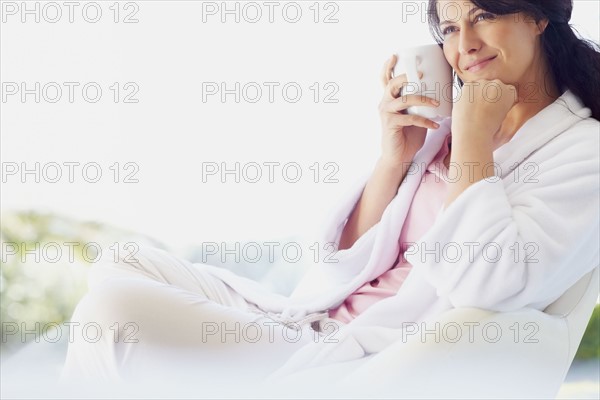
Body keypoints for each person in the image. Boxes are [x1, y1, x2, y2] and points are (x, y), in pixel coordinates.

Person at [60, 0, 599, 397]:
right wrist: (395, 156)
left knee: (112, 313)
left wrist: (474, 140)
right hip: (313, 322)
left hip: (367, 356)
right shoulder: (443, 127)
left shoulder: (582, 151)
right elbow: (345, 262)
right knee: (119, 263)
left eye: (483, 16)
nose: (464, 46)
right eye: (452, 27)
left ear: (538, 15)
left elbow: (489, 284)